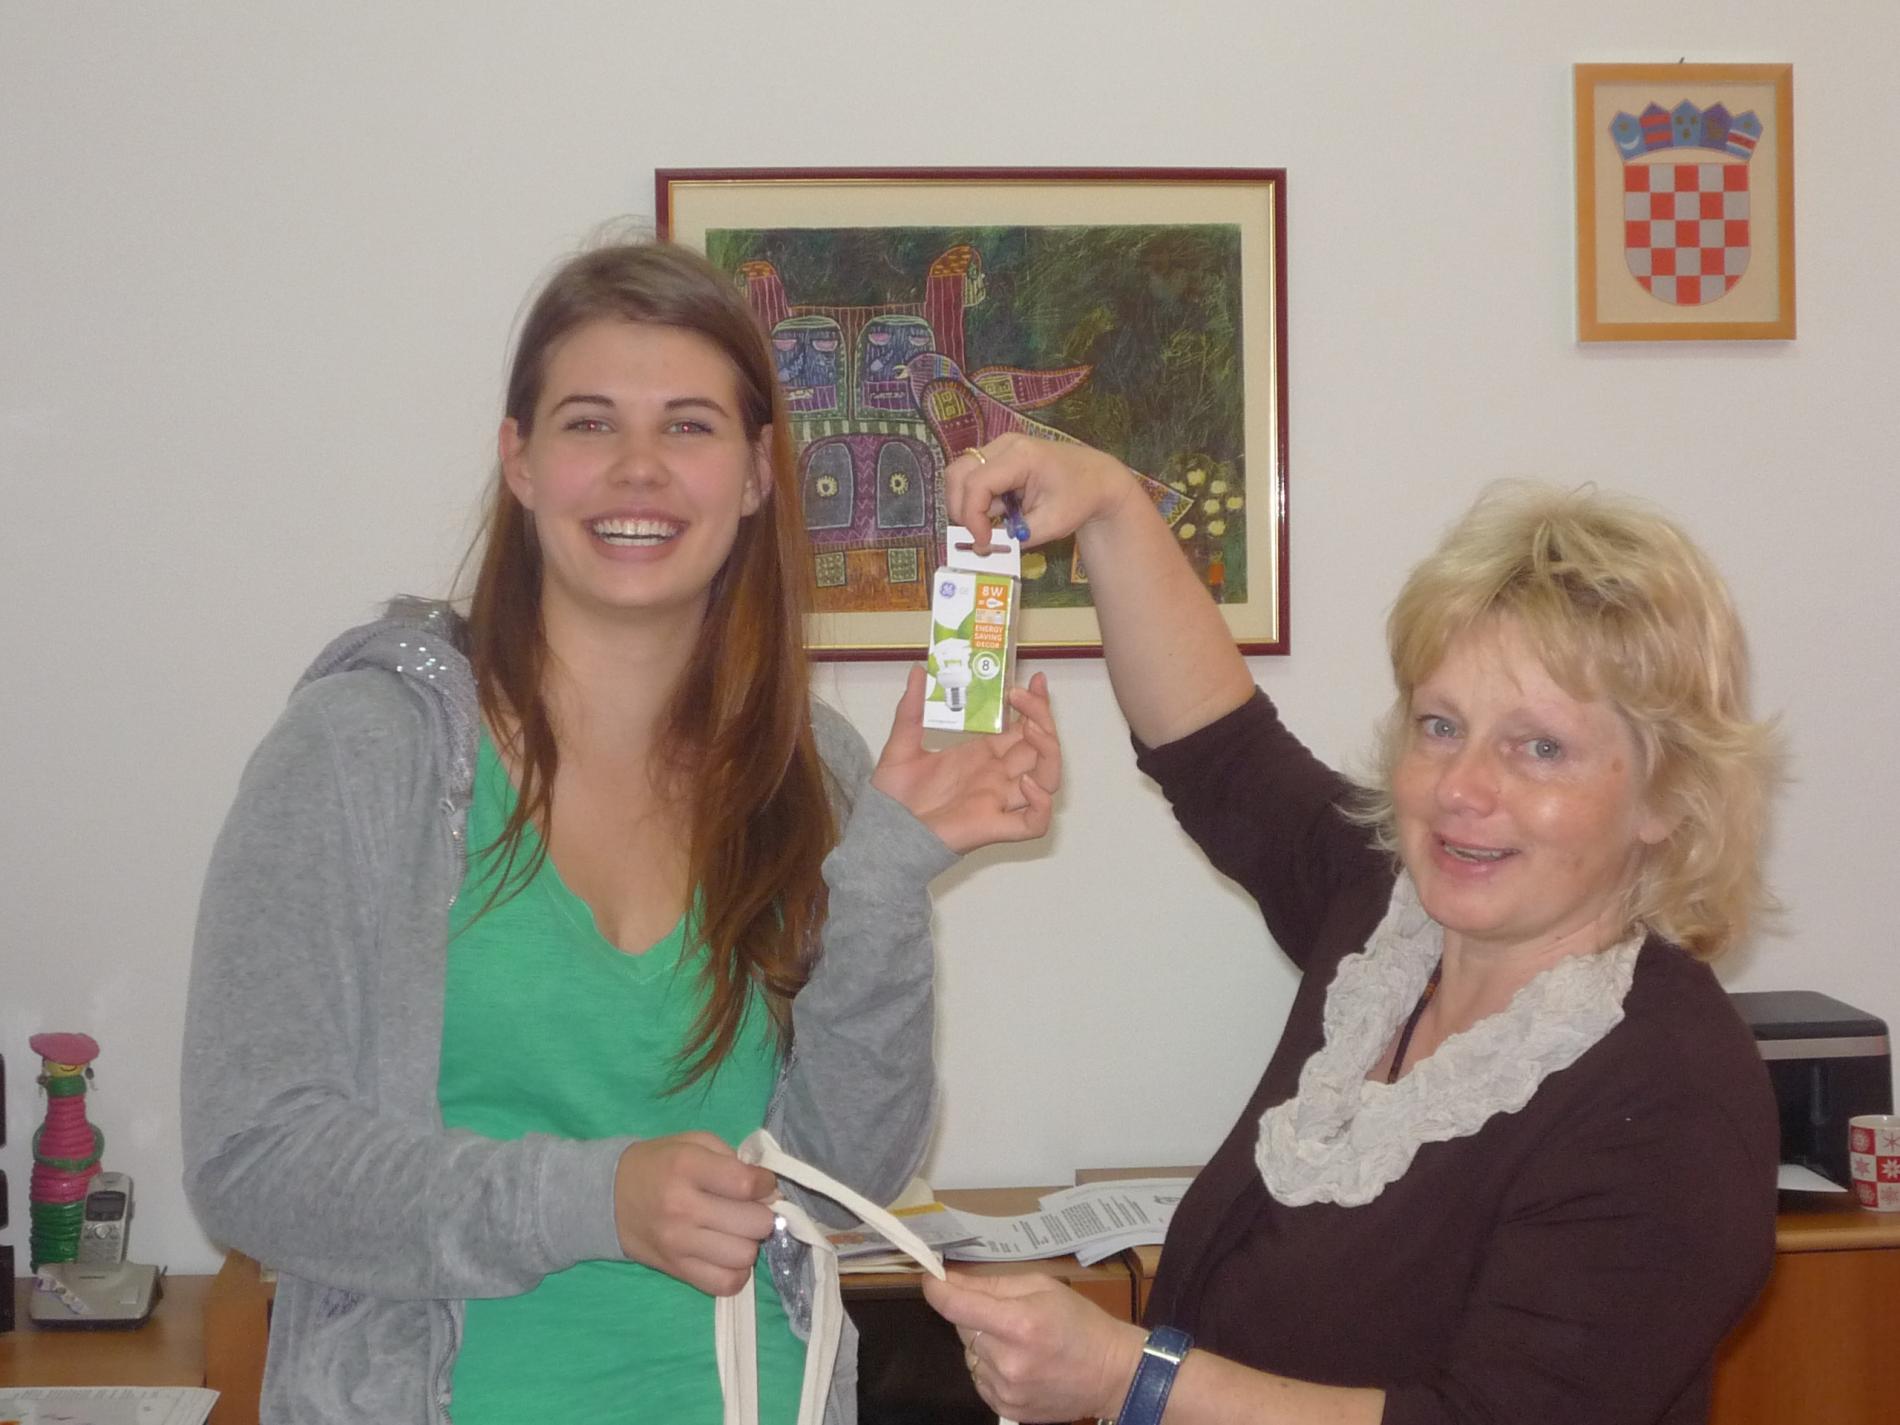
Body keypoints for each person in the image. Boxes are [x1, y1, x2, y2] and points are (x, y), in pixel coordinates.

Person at [181, 241, 1061, 1425]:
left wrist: (887, 872)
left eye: (689, 427)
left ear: (755, 474)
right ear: (520, 460)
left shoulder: (812, 770)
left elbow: (838, 1183)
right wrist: (595, 1200)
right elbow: (251, 1160)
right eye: (590, 423)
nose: (638, 468)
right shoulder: (361, 751)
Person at [923, 435, 1778, 1425]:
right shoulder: (1386, 918)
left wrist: (1132, 1378)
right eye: (1440, 725)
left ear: (1665, 797)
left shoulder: (1672, 1095)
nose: (1462, 789)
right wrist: (1109, 503)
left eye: (1539, 747)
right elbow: (1218, 751)